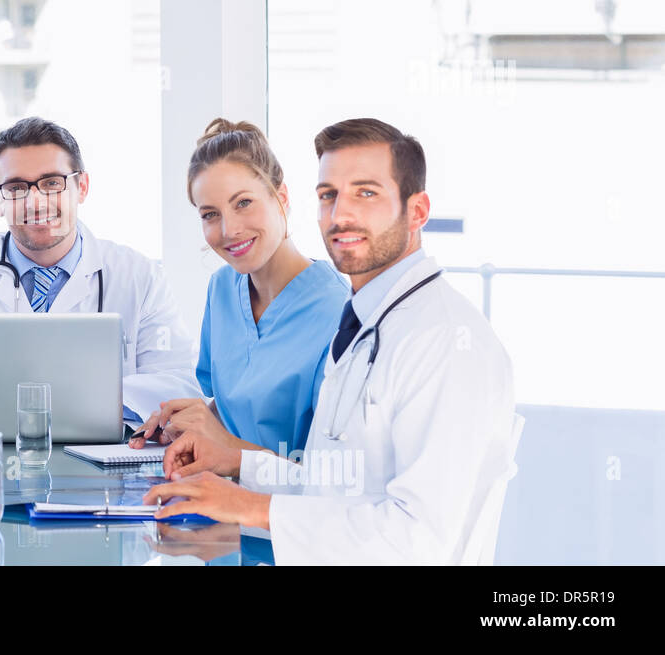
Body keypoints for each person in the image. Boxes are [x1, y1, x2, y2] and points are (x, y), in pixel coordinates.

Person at [144, 118, 516, 565]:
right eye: (328, 195)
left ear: (417, 211)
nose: (341, 215)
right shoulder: (366, 326)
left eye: (366, 192)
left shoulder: (447, 343)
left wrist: (250, 506)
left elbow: (420, 541)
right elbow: (330, 487)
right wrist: (234, 465)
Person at [0, 116, 202, 424]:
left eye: (51, 183)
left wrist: (58, 400)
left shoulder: (139, 278)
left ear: (82, 187)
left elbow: (179, 388)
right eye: (16, 188)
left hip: (100, 468)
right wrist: (8, 397)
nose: (35, 202)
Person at [130, 120, 349, 455]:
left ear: (281, 197)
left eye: (243, 203)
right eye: (210, 214)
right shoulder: (222, 289)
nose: (229, 229)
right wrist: (188, 422)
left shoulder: (339, 312)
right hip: (218, 492)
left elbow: (331, 469)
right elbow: (235, 409)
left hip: (285, 505)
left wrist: (228, 452)